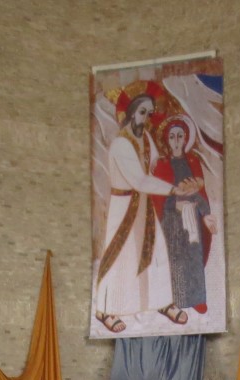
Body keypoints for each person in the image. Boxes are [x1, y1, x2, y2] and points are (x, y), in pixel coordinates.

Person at [92, 83, 198, 334]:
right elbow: (138, 180)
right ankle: (105, 309)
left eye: (150, 113)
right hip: (124, 206)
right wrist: (173, 189)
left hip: (144, 206)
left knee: (156, 252)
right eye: (142, 112)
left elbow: (152, 169)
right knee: (121, 256)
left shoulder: (146, 138)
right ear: (130, 113)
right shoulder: (120, 144)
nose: (147, 118)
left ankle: (163, 302)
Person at [150, 115, 216, 315]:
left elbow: (199, 191)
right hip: (172, 220)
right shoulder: (163, 164)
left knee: (193, 258)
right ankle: (177, 298)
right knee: (177, 259)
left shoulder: (192, 162)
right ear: (168, 140)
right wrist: (174, 203)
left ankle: (197, 299)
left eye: (180, 136)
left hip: (192, 217)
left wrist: (205, 213)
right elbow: (158, 195)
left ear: (185, 139)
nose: (176, 140)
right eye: (172, 137)